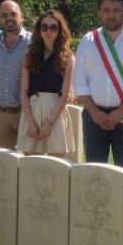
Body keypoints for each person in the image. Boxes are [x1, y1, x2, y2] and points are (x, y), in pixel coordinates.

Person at [72, 0, 123, 171]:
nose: (111, 15)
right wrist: (94, 112)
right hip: (94, 117)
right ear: (99, 13)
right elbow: (79, 81)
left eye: (116, 10)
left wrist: (119, 112)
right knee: (94, 170)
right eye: (106, 10)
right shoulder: (88, 40)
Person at [17, 10, 75, 156]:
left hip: (55, 113)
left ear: (60, 30)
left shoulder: (68, 59)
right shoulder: (28, 56)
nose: (48, 31)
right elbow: (23, 92)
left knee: (56, 166)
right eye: (44, 27)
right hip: (32, 111)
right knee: (31, 166)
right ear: (39, 29)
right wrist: (30, 122)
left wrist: (49, 124)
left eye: (53, 27)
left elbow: (65, 95)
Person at [0, 0, 31, 149]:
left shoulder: (34, 42)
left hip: (27, 113)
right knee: (6, 167)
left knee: (28, 161)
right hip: (1, 114)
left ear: (22, 16)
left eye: (13, 14)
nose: (9, 18)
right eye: (4, 15)